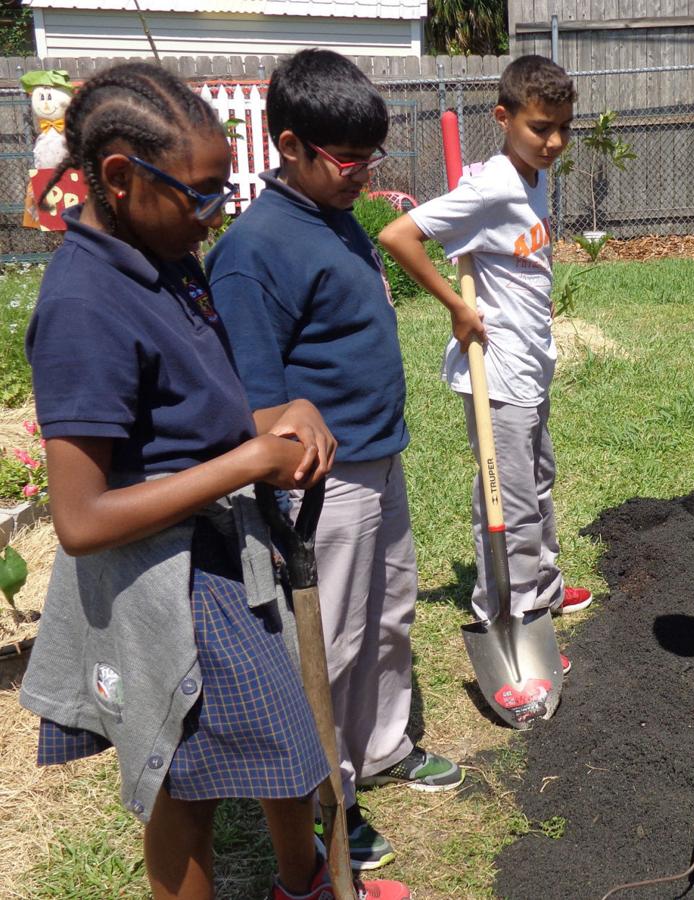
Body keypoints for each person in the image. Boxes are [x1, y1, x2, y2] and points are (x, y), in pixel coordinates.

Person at [18, 62, 408, 900]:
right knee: (188, 788)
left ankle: (304, 881)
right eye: (198, 196)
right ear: (119, 179)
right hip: (169, 585)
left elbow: (195, 411)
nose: (212, 217)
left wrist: (276, 417)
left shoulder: (168, 259)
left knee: (287, 742)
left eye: (221, 193)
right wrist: (244, 462)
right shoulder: (85, 304)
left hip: (228, 552)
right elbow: (82, 520)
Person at [206, 48, 462, 874]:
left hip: (379, 459)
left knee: (390, 617)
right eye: (347, 159)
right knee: (335, 638)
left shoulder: (333, 213)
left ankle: (384, 745)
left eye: (370, 157)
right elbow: (257, 403)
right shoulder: (255, 252)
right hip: (325, 487)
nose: (363, 175)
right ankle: (328, 794)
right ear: (289, 144)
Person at [380, 54, 593, 676]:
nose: (553, 141)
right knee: (509, 499)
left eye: (562, 128)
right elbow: (398, 235)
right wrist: (454, 306)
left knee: (539, 481)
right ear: (503, 118)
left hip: (532, 364)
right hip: (496, 373)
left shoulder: (531, 176)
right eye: (539, 128)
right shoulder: (495, 185)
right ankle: (510, 609)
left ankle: (545, 588)